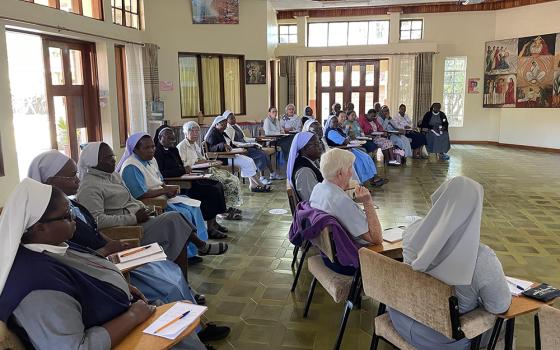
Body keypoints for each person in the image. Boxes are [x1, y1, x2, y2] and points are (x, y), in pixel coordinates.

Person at [26, 150, 231, 343]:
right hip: (106, 264)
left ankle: (196, 327)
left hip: (110, 258)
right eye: (72, 176)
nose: (78, 179)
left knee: (171, 271)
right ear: (49, 180)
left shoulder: (71, 206)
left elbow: (94, 229)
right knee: (166, 285)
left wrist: (110, 245)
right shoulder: (48, 224)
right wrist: (107, 251)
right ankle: (192, 333)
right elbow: (76, 255)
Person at [0, 179, 207, 350]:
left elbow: (86, 270)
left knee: (174, 309)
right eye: (66, 216)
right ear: (39, 227)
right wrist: (134, 315)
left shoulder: (51, 245)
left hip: (122, 310)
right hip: (122, 335)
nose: (74, 219)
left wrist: (122, 287)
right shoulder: (36, 287)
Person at [388, 176, 512, 349]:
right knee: (507, 323)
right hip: (443, 340)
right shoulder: (482, 258)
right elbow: (500, 306)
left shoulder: (412, 232)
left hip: (400, 318)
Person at [76, 142, 227, 279]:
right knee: (175, 221)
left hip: (140, 219)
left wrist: (145, 209)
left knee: (177, 225)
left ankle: (184, 280)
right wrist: (133, 218)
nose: (113, 160)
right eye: (108, 158)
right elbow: (96, 221)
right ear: (93, 161)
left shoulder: (112, 175)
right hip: (127, 230)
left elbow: (131, 199)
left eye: (113, 156)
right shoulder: (90, 186)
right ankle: (200, 249)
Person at [118, 132, 228, 258]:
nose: (151, 150)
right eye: (146, 148)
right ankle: (186, 254)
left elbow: (159, 180)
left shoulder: (151, 160)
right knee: (184, 214)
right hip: (152, 203)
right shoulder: (131, 166)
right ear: (135, 150)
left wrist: (168, 189)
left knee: (194, 206)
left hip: (164, 197)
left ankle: (195, 250)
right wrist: (165, 191)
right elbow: (140, 194)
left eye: (153, 147)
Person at [309, 148, 383, 274]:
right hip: (349, 261)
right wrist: (367, 202)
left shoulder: (319, 188)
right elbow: (376, 238)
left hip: (329, 255)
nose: (351, 174)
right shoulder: (340, 201)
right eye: (350, 169)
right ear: (340, 173)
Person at [153, 126, 230, 239]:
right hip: (179, 184)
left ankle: (213, 223)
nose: (171, 141)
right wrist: (183, 170)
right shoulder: (157, 153)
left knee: (217, 184)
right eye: (169, 139)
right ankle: (210, 228)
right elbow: (162, 173)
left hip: (186, 178)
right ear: (160, 137)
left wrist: (186, 170)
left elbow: (180, 165)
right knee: (211, 191)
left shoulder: (173, 150)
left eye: (173, 139)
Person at [177, 121, 243, 220]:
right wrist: (201, 163)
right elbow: (184, 165)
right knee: (223, 182)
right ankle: (221, 211)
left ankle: (228, 207)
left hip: (205, 169)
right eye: (192, 131)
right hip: (196, 173)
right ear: (186, 133)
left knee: (232, 178)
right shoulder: (182, 146)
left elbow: (201, 158)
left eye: (197, 131)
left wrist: (211, 162)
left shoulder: (195, 145)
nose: (195, 134)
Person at [205, 114, 271, 193]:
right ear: (216, 124)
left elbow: (230, 144)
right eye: (222, 124)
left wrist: (237, 148)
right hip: (222, 158)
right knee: (247, 162)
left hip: (229, 155)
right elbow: (211, 149)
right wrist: (223, 145)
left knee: (250, 160)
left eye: (225, 124)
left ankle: (253, 185)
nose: (225, 126)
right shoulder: (213, 134)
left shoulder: (221, 132)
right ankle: (260, 184)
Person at [325, 114, 382, 186]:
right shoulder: (331, 132)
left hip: (347, 148)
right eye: (334, 122)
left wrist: (347, 137)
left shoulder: (336, 129)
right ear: (329, 123)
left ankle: (371, 179)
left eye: (336, 122)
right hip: (341, 151)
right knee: (360, 161)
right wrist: (347, 139)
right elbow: (344, 141)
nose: (336, 123)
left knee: (366, 157)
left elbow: (347, 138)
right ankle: (362, 183)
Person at [224, 111, 278, 184]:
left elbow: (245, 138)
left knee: (264, 153)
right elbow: (232, 142)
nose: (234, 119)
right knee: (261, 155)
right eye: (231, 118)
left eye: (234, 117)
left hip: (246, 145)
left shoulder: (236, 126)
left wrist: (254, 140)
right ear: (226, 120)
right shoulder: (227, 129)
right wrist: (245, 145)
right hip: (241, 148)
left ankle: (272, 174)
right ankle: (262, 177)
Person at [286, 132, 323, 202]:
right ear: (304, 148)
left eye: (319, 143)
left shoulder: (309, 161)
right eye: (316, 144)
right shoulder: (304, 172)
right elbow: (313, 201)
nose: (320, 147)